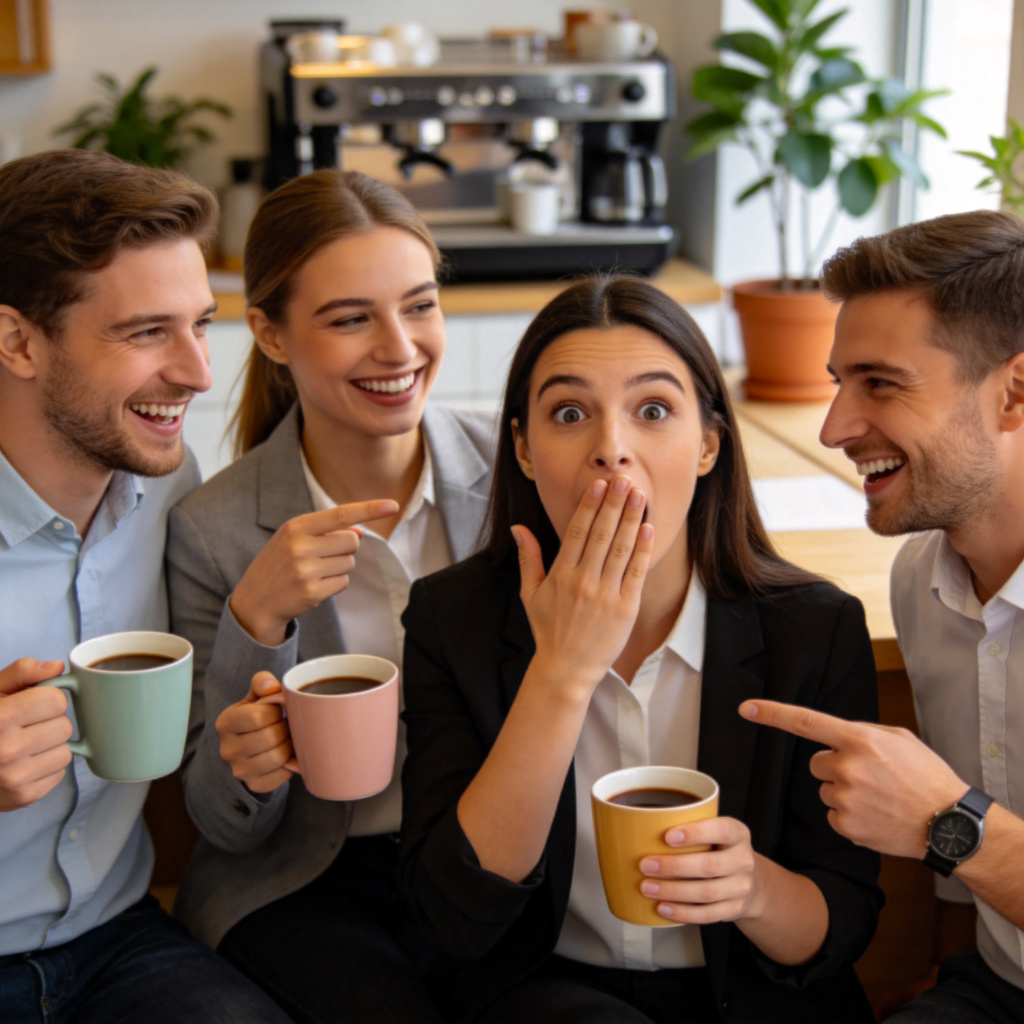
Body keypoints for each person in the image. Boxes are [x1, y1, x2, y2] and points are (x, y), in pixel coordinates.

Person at [397, 273, 883, 1024]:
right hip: (545, 997)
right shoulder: (449, 619)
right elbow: (456, 916)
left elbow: (841, 922)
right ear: (523, 449)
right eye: (569, 414)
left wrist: (751, 888)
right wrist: (560, 671)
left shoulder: (812, 629)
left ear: (709, 444)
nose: (612, 451)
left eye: (653, 410)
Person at [166, 168, 496, 1023]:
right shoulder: (213, 528)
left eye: (420, 306)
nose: (399, 348)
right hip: (300, 881)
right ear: (271, 336)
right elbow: (223, 821)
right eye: (351, 319)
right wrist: (256, 619)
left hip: (483, 859)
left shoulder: (517, 479)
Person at [0, 149, 292, 1023]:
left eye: (199, 323)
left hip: (115, 937)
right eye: (145, 333)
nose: (200, 372)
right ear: (17, 340)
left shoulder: (169, 480)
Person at [738, 209, 1024, 1023]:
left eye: (881, 383)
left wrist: (946, 823)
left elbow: (950, 826)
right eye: (839, 381)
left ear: (1015, 393)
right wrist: (948, 985)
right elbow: (960, 888)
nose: (835, 427)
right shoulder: (920, 581)